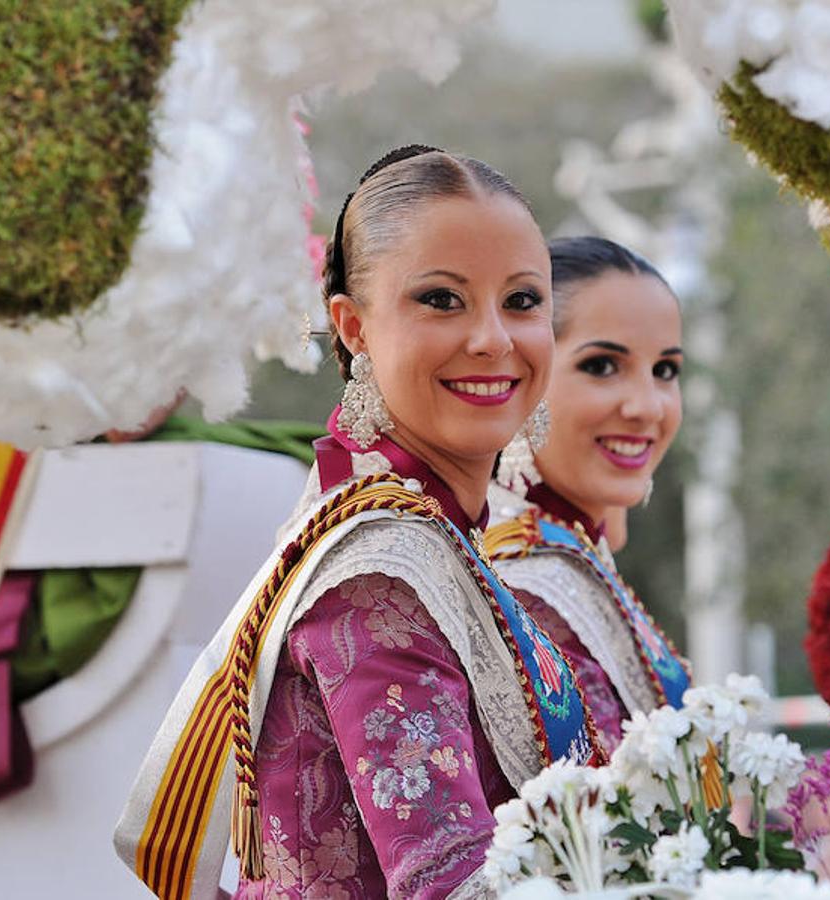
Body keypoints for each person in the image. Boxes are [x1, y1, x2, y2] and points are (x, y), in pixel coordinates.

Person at [115, 147, 605, 899]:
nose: (493, 339)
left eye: (522, 301)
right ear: (352, 327)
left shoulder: (432, 540)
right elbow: (453, 883)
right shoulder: (380, 576)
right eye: (441, 299)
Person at [486, 236, 691, 747]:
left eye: (665, 370)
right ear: (520, 373)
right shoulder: (520, 586)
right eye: (602, 366)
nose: (648, 407)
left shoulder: (577, 560)